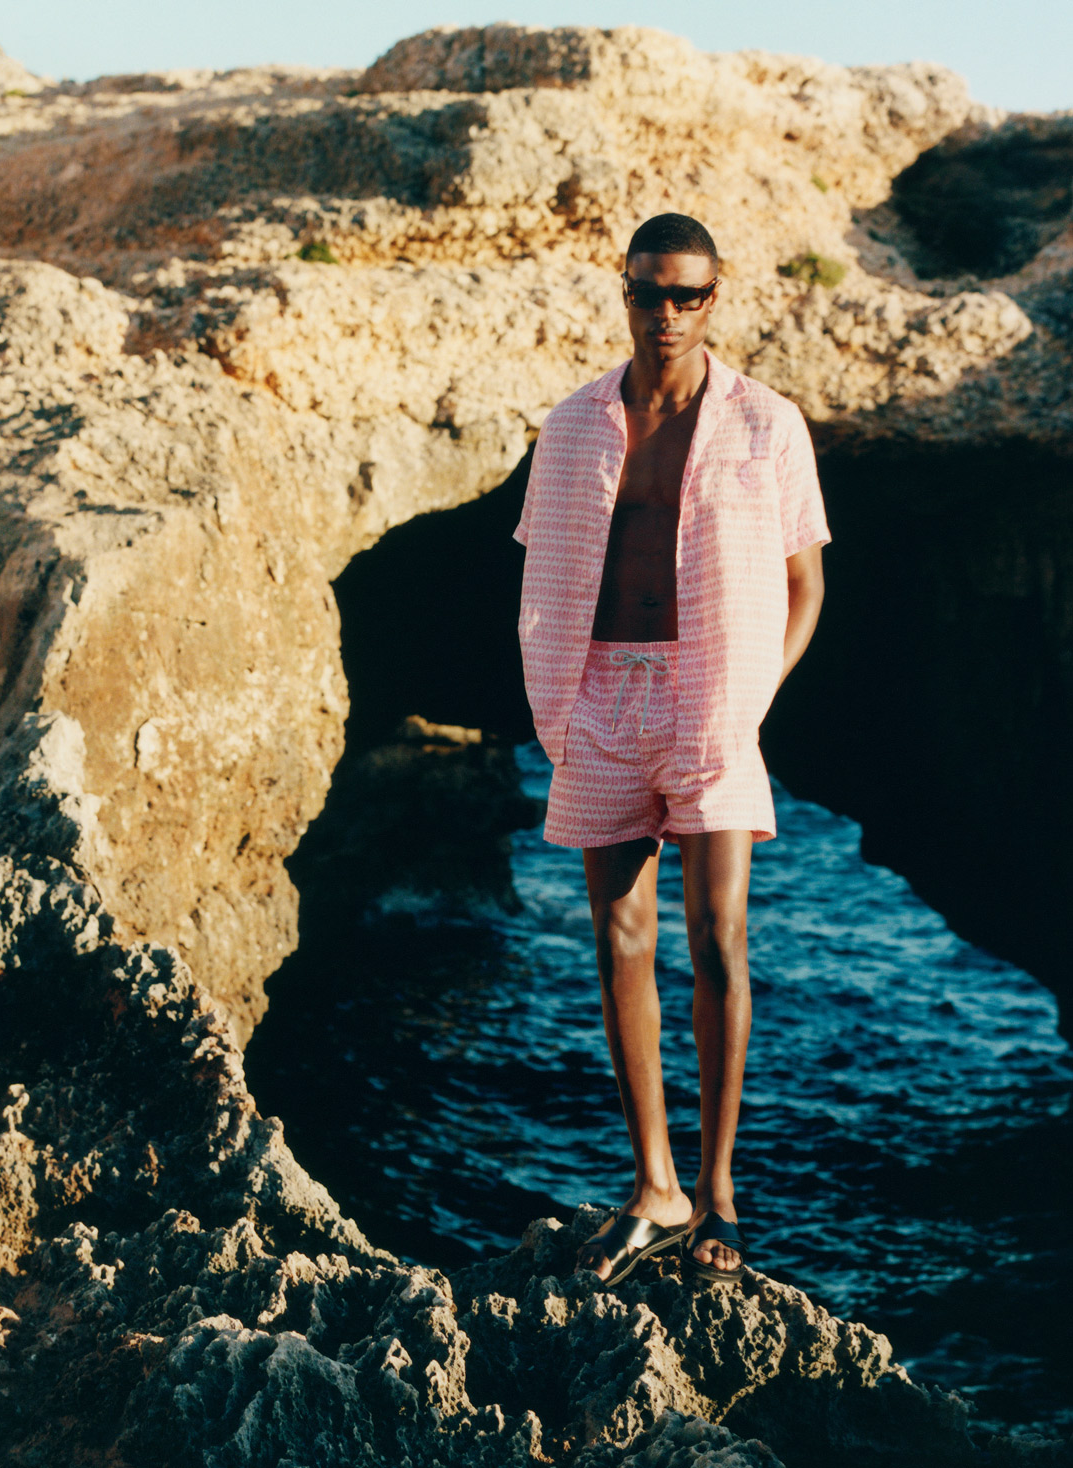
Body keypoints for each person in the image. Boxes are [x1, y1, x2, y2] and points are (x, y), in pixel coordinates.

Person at [513, 213, 830, 1285]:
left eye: (685, 295)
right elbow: (544, 569)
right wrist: (555, 689)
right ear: (623, 292)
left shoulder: (765, 424)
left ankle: (719, 1194)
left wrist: (749, 700)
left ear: (714, 297)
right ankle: (652, 1184)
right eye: (647, 293)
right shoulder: (571, 425)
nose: (664, 314)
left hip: (710, 700)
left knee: (719, 941)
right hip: (603, 686)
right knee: (618, 936)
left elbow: (804, 585)